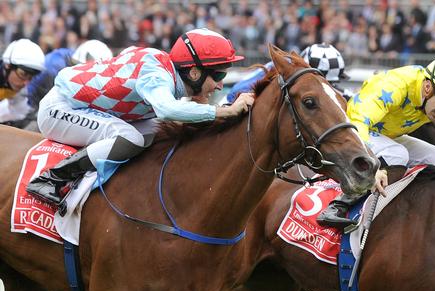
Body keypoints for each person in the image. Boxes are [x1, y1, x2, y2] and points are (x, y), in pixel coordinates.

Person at [27, 29, 254, 207]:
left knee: (157, 132)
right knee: (131, 138)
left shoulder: (166, 68)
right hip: (59, 109)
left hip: (85, 106)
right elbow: (167, 109)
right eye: (219, 75)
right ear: (194, 72)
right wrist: (225, 111)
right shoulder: (156, 75)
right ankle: (52, 179)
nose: (221, 84)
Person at [317, 55, 435, 228]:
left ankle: (419, 209)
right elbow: (358, 120)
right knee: (397, 154)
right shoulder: (395, 86)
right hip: (356, 130)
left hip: (385, 133)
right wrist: (370, 165)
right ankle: (340, 204)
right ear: (428, 87)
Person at [227, 42, 351, 104]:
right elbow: (234, 93)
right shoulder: (278, 68)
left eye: (332, 84)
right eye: (327, 83)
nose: (329, 88)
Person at [0, 39, 46, 124]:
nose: (25, 83)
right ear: (8, 65)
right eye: (23, 74)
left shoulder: (17, 86)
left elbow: (19, 112)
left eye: (30, 77)